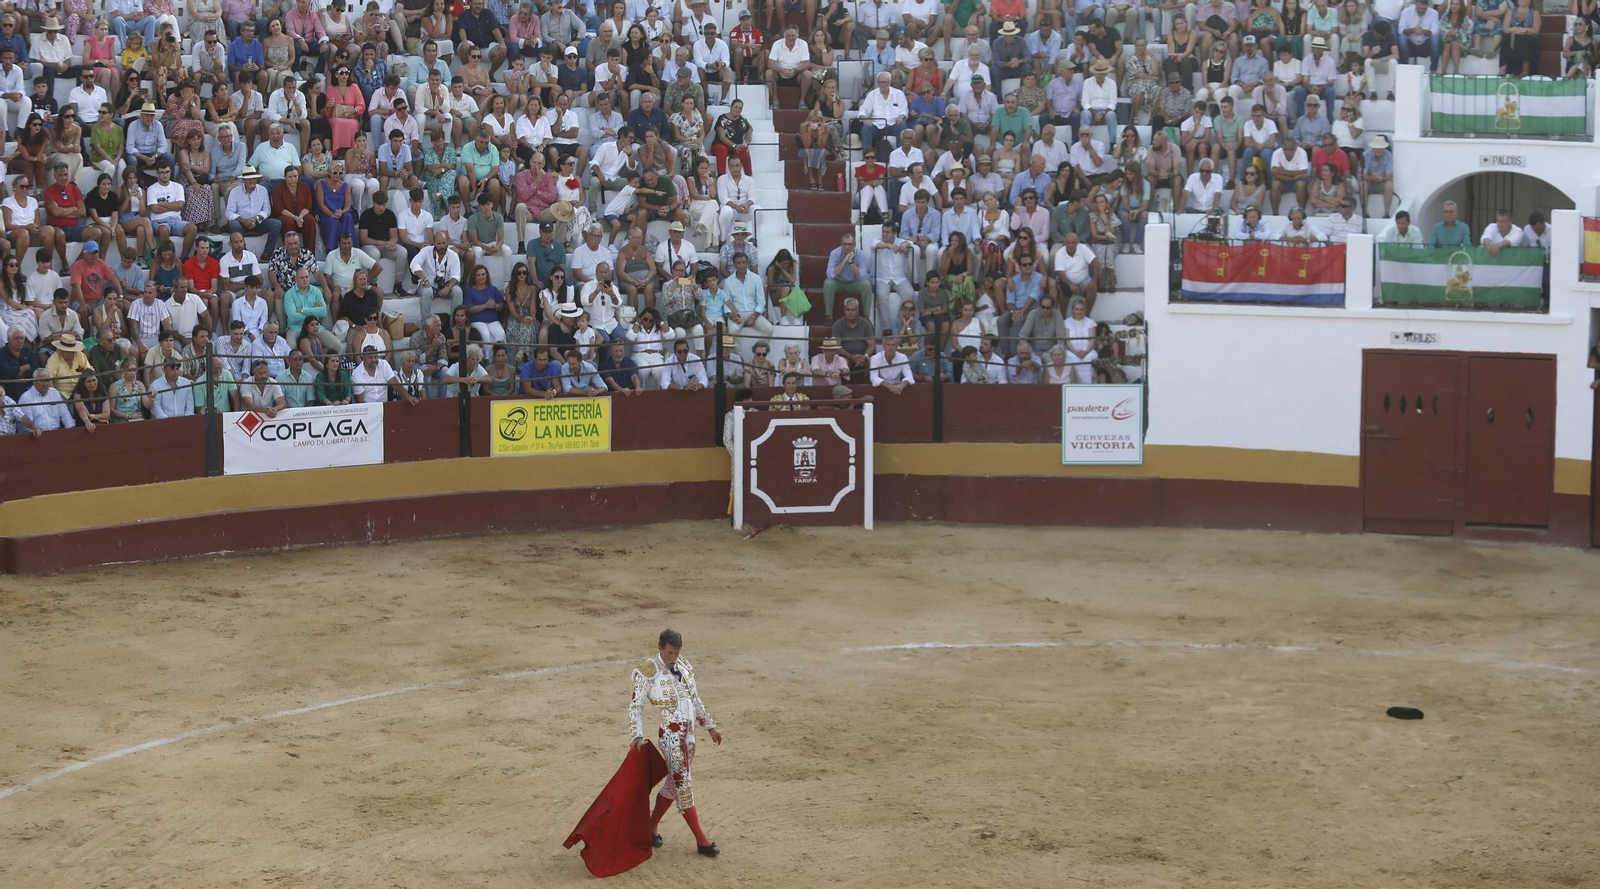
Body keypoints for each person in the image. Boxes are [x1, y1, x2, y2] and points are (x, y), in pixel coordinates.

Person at [630, 628, 723, 856]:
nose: (673, 658)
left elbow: (695, 699)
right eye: (669, 653)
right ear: (660, 648)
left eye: (676, 653)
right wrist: (637, 735)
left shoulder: (683, 666)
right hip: (671, 738)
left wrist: (709, 726)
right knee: (683, 785)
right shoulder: (648, 672)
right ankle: (702, 840)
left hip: (689, 737)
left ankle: (650, 828)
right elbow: (636, 706)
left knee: (673, 783)